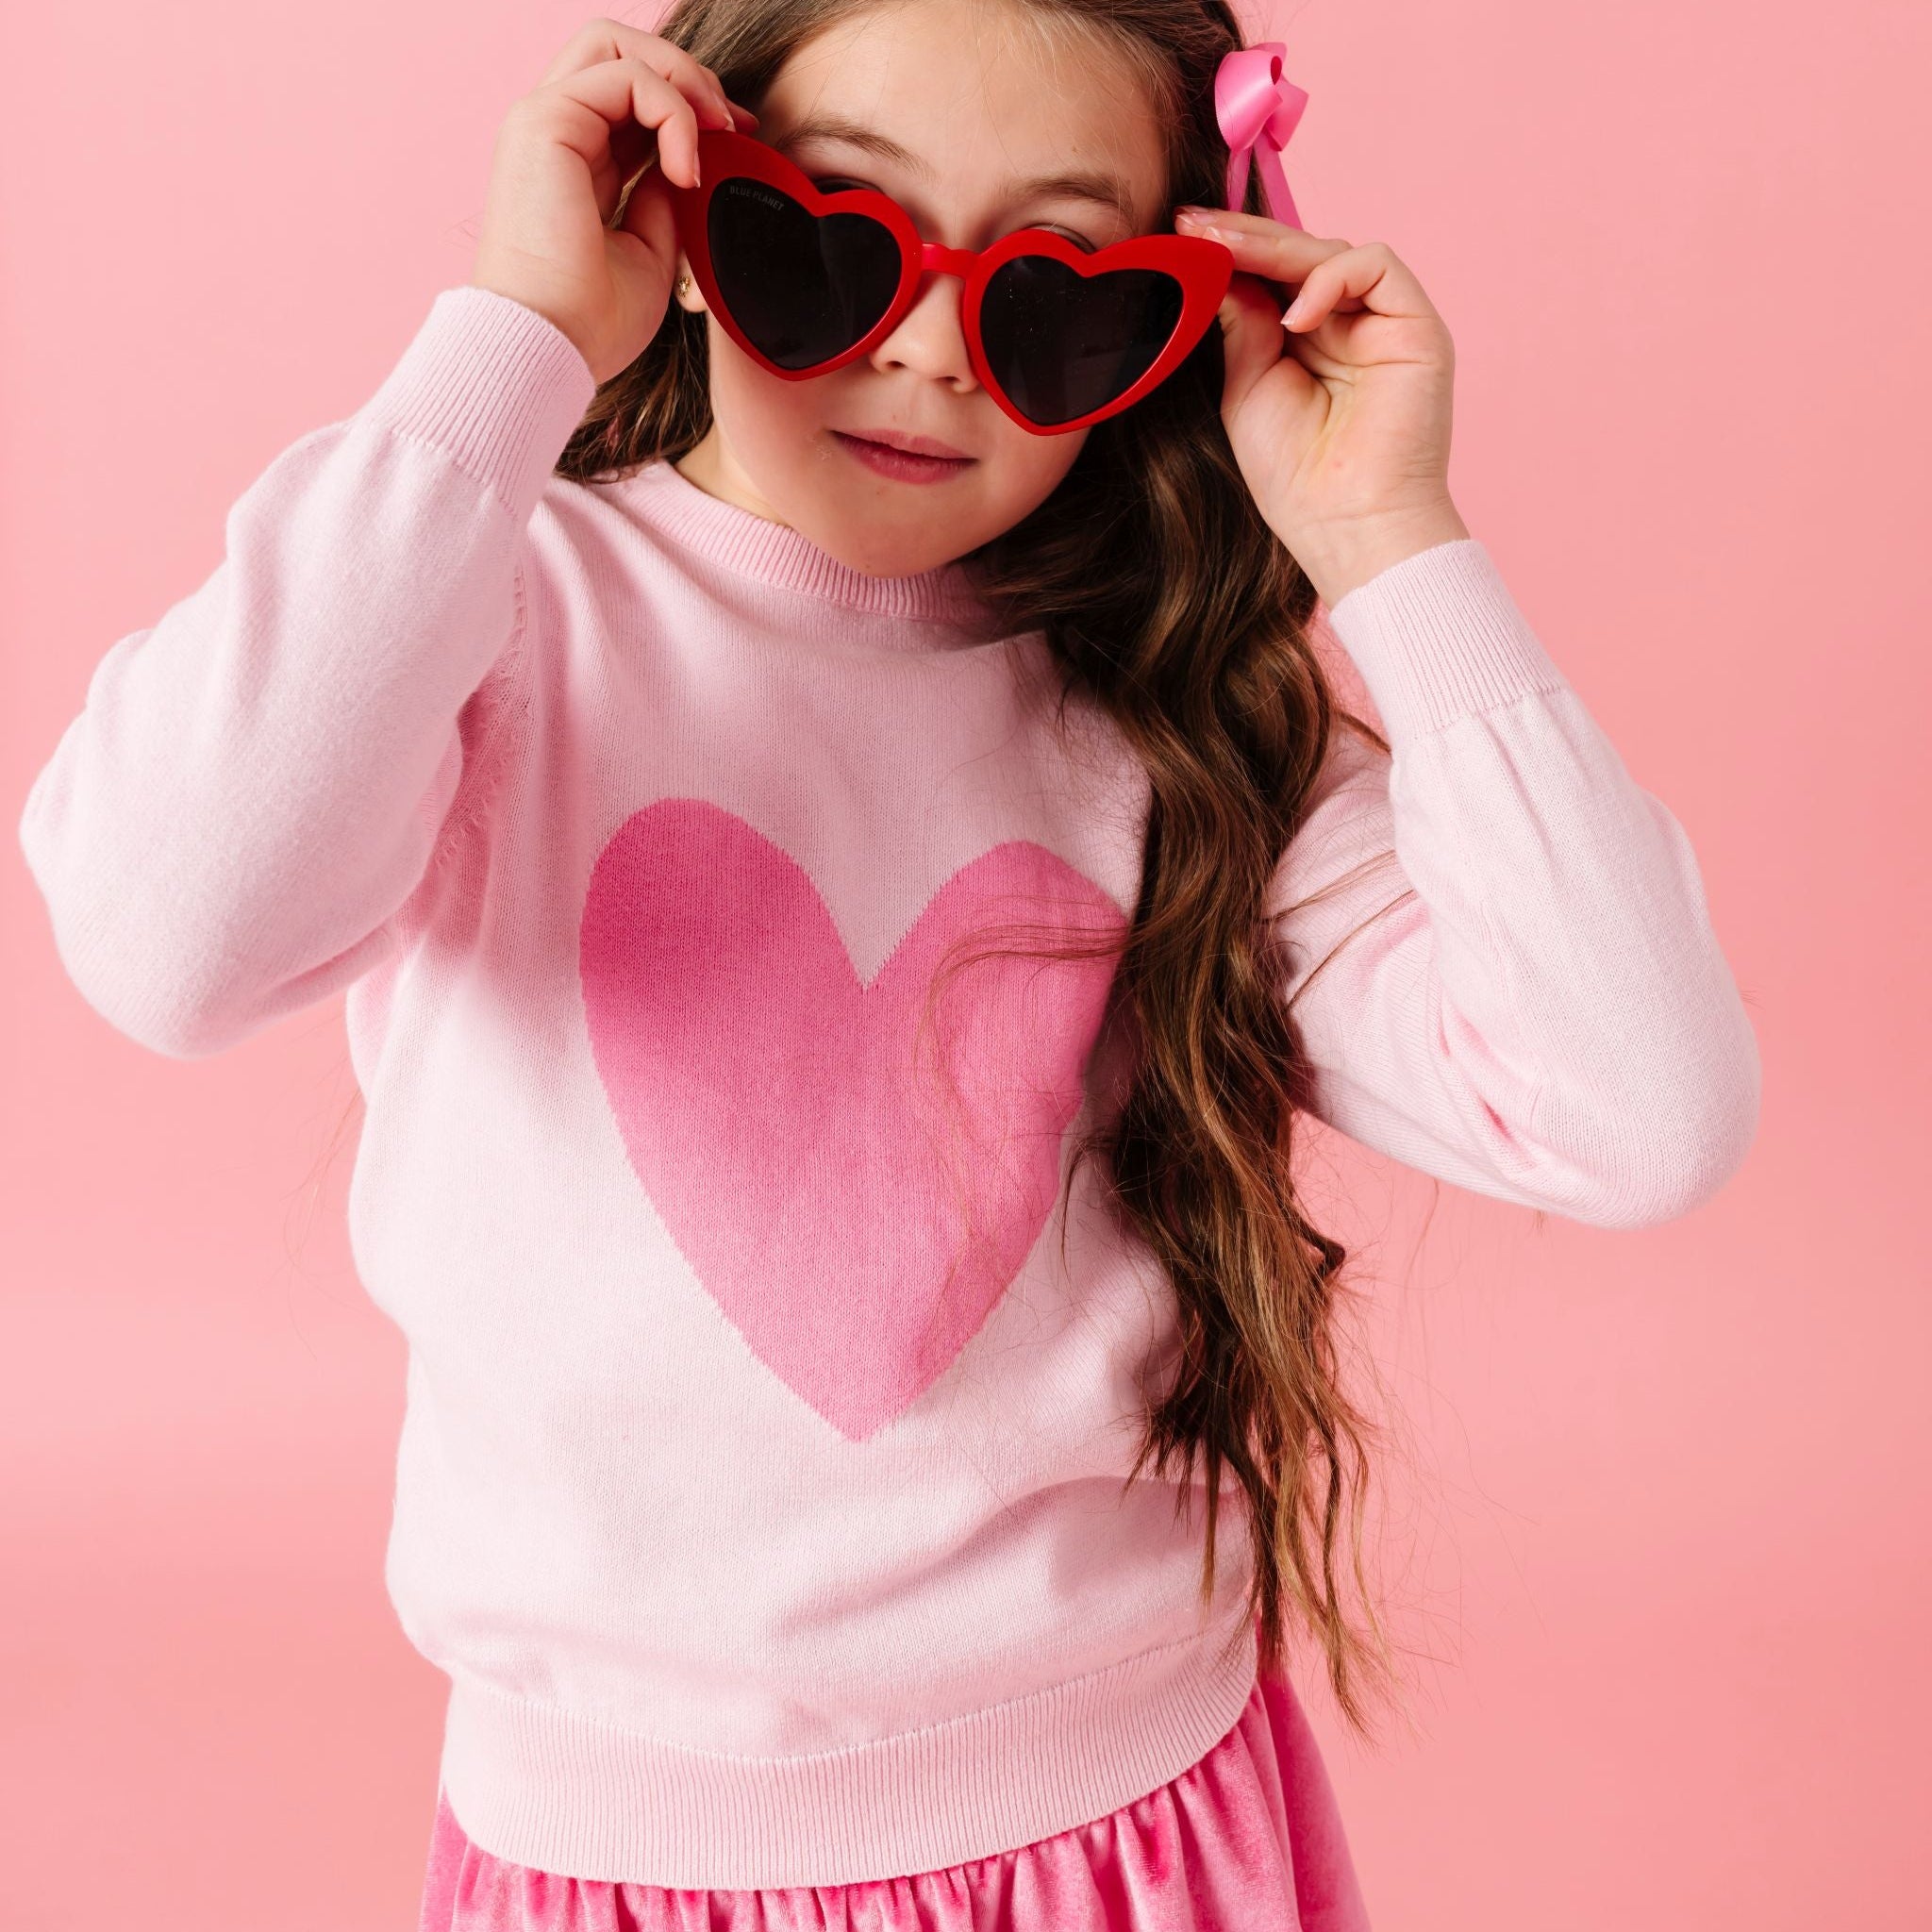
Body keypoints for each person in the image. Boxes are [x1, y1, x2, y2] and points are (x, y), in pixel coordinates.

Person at [15, 1, 1762, 1925]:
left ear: (1180, 320)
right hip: (608, 1857)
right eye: (825, 240)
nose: (926, 348)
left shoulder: (1174, 710)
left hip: (1135, 1830)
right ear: (677, 221)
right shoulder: (477, 607)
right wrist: (505, 343)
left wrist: (1391, 546)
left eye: (1055, 301)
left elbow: (1641, 1106)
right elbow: (169, 935)